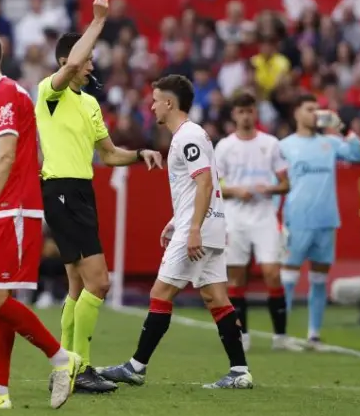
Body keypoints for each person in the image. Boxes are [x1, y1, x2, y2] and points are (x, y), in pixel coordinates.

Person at [0, 27, 81, 410]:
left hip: (13, 208)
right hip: (8, 205)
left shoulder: (5, 94)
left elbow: (5, 157)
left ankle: (61, 358)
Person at [35, 0, 162, 392]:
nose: (90, 64)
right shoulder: (49, 94)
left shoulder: (90, 103)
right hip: (60, 191)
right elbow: (74, 60)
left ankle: (66, 366)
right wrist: (99, 22)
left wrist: (140, 154)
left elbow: (108, 154)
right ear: (65, 62)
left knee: (77, 287)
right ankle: (82, 367)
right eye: (85, 58)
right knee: (100, 284)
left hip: (82, 191)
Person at [97, 75, 252, 389]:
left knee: (160, 294)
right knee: (215, 296)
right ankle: (239, 371)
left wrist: (192, 228)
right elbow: (198, 186)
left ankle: (136, 367)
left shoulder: (186, 137)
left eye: (155, 100)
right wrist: (177, 219)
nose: (152, 106)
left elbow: (205, 182)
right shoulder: (193, 135)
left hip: (199, 228)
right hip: (208, 224)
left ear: (169, 103)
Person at [278, 95, 360, 347]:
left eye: (317, 110)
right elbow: (277, 183)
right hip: (296, 220)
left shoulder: (330, 142)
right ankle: (281, 332)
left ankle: (314, 333)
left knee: (319, 279)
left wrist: (342, 128)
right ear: (296, 113)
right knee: (289, 277)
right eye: (309, 109)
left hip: (326, 220)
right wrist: (278, 220)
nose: (315, 114)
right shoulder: (284, 146)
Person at [213, 91, 293, 352]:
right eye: (241, 111)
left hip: (263, 216)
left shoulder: (270, 144)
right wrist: (236, 191)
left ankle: (280, 336)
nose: (246, 116)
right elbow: (213, 186)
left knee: (272, 273)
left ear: (255, 113)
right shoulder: (224, 146)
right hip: (235, 217)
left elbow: (285, 184)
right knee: (236, 277)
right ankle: (243, 335)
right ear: (234, 115)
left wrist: (266, 189)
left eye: (250, 111)